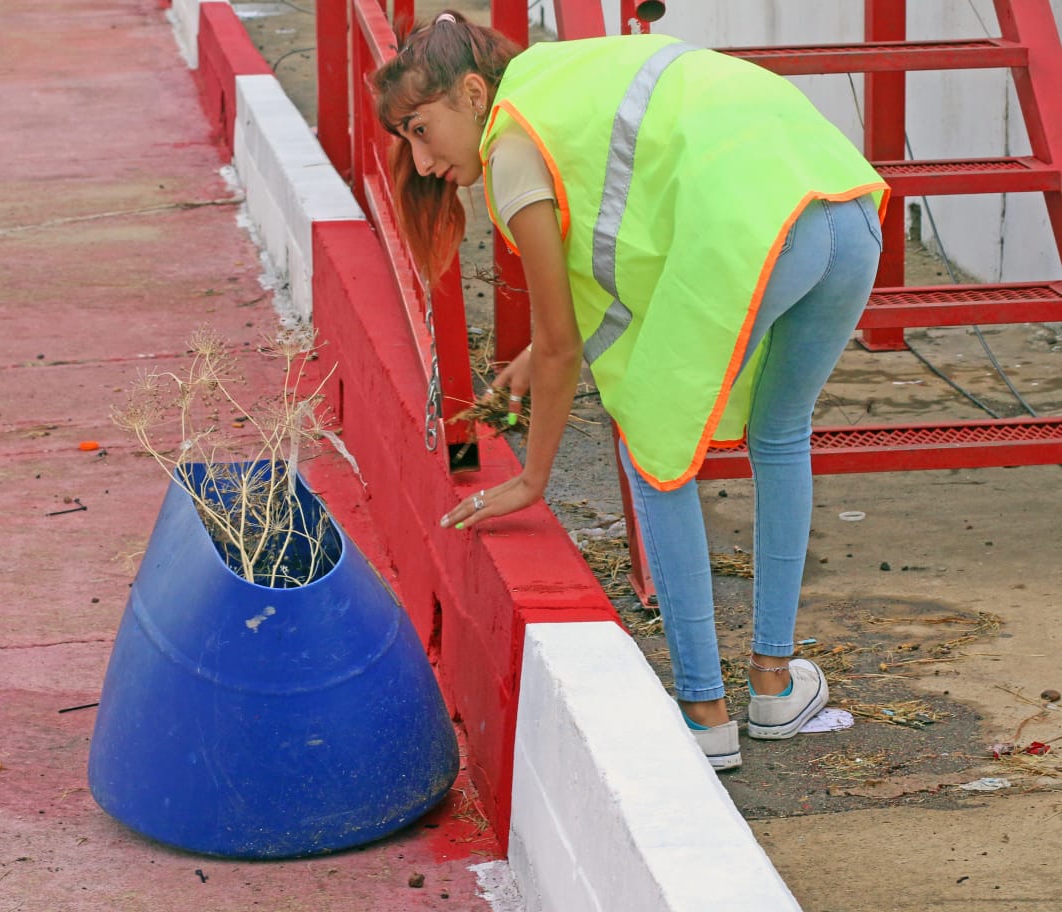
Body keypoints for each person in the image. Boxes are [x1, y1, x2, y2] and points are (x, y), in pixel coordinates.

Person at [371, 10, 888, 770]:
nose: (419, 161)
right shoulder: (573, 74)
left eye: (420, 129)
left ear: (474, 94)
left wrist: (533, 477)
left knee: (650, 441)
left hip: (763, 229)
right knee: (781, 432)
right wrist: (531, 364)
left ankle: (704, 713)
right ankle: (775, 688)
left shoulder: (513, 142)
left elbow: (558, 344)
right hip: (847, 208)